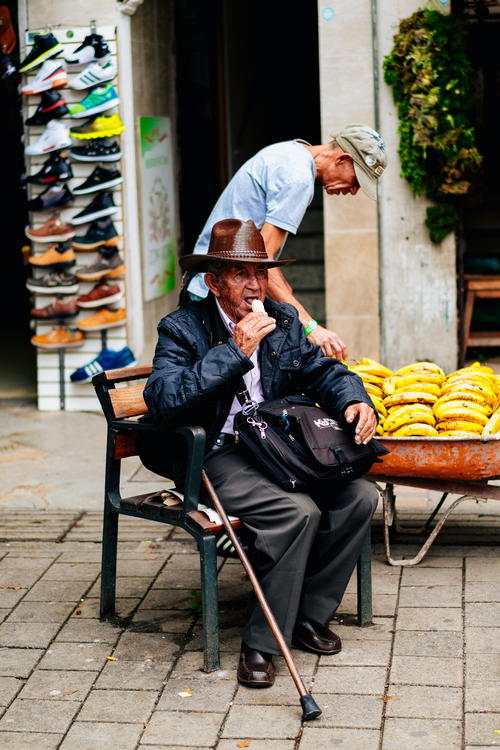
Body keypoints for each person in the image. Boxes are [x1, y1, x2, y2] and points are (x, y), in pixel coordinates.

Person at [143, 218, 379, 688]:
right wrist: (233, 351)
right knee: (297, 513)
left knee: (360, 497)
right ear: (212, 282)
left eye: (261, 273)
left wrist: (355, 399)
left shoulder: (283, 320)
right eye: (239, 274)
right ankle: (263, 643)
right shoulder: (183, 328)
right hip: (216, 451)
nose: (254, 285)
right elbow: (163, 397)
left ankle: (308, 616)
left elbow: (323, 371)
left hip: (276, 445)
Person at [185, 124, 387, 360]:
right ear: (342, 159)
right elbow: (264, 259)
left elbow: (265, 261)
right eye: (356, 180)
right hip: (217, 291)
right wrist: (312, 327)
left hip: (212, 283)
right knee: (219, 380)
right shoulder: (298, 178)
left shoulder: (289, 152)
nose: (353, 190)